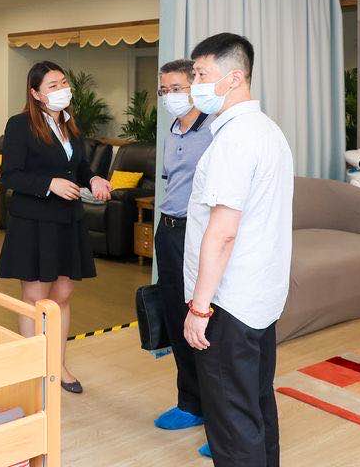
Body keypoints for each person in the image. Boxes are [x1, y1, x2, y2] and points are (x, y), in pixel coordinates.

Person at [182, 32, 294, 466]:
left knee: (230, 417)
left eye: (201, 74)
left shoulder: (235, 140)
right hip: (260, 295)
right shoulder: (267, 131)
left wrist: (200, 308)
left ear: (233, 78)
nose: (195, 84)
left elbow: (223, 232)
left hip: (227, 302)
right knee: (256, 401)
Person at [0, 61, 112, 394]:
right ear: (35, 93)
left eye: (63, 83)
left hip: (67, 220)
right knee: (35, 298)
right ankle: (34, 368)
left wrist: (93, 179)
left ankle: (57, 365)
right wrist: (49, 184)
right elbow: (11, 175)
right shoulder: (20, 125)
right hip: (34, 222)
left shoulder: (69, 123)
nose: (61, 90)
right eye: (52, 85)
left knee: (62, 295)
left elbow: (81, 166)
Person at [152, 59, 215, 440]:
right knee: (177, 317)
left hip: (200, 233)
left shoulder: (214, 131)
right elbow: (172, 184)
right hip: (169, 230)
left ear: (196, 87)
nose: (169, 97)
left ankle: (219, 417)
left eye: (177, 89)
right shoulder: (173, 131)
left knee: (206, 322)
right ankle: (190, 403)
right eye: (164, 91)